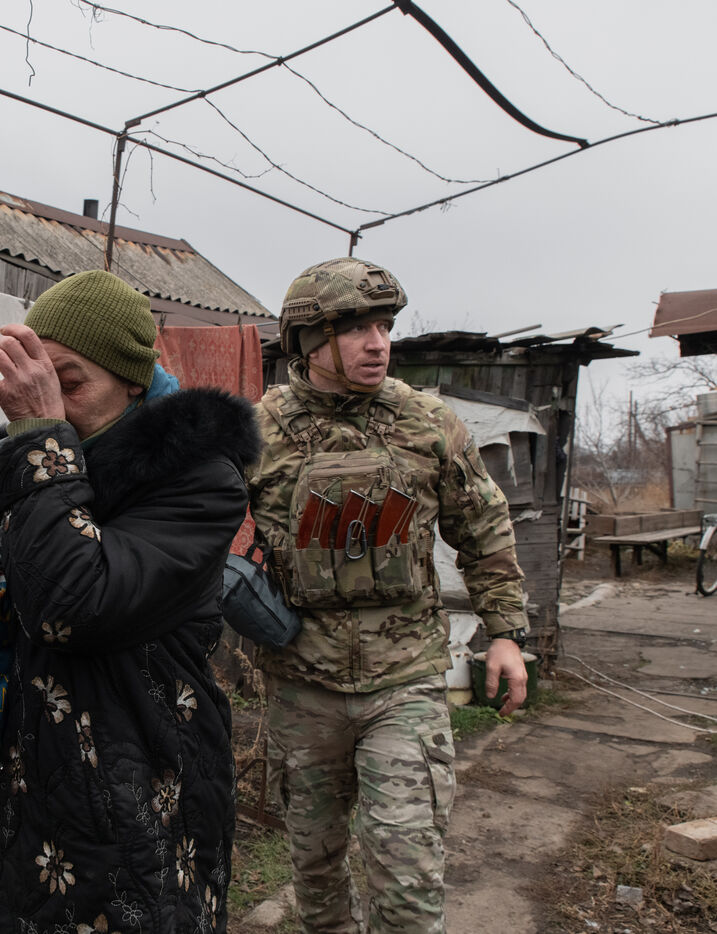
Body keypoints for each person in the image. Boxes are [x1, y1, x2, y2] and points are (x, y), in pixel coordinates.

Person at [0, 269, 261, 933]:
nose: (54, 405)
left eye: (69, 384)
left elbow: (72, 606)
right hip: (34, 785)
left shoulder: (197, 478)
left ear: (132, 381)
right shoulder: (31, 458)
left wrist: (39, 438)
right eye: (40, 385)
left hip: (144, 788)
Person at [245, 257, 530, 933]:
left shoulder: (427, 422)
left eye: (384, 327)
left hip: (403, 683)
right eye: (355, 329)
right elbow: (197, 534)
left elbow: (482, 525)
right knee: (315, 874)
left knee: (406, 874)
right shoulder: (258, 431)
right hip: (301, 684)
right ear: (308, 340)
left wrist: (505, 635)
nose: (377, 343)